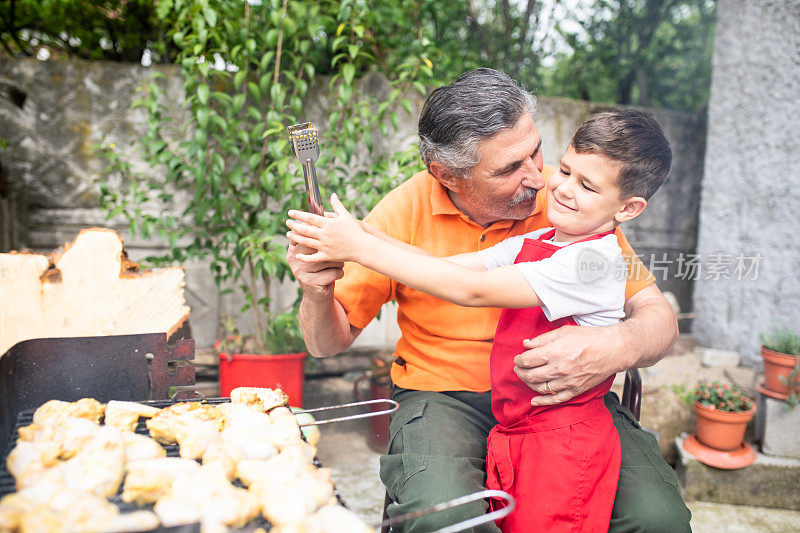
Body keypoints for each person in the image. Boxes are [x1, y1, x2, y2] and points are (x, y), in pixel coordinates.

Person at [286, 68, 691, 532]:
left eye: (537, 151)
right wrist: (319, 287)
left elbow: (658, 316)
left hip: (560, 399)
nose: (538, 177)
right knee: (448, 519)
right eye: (508, 168)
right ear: (447, 175)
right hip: (444, 398)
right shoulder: (403, 211)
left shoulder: (574, 206)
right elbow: (326, 343)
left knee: (658, 521)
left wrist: (614, 347)